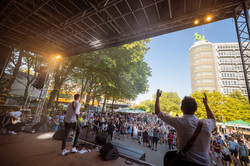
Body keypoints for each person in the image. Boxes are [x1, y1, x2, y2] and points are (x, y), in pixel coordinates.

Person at [155, 89, 216, 165]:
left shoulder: (179, 121)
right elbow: (213, 119)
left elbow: (158, 112)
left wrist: (157, 97)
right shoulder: (207, 124)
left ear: (181, 108)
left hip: (185, 162)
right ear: (196, 109)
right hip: (205, 163)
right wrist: (206, 104)